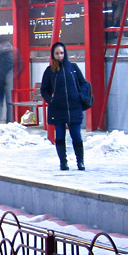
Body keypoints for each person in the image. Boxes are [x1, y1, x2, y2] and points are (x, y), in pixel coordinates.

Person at [40, 41, 91, 171]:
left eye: (62, 53)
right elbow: (44, 89)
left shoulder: (73, 67)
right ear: (53, 55)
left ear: (65, 53)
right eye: (57, 53)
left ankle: (80, 162)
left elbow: (84, 83)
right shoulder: (50, 71)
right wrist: (50, 100)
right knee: (60, 136)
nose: (60, 55)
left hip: (74, 107)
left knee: (76, 136)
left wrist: (81, 96)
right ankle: (63, 162)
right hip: (58, 109)